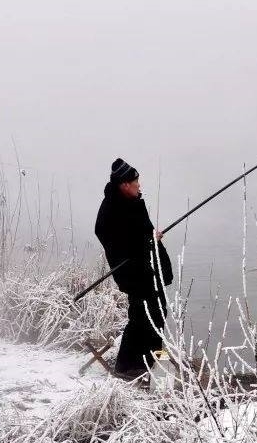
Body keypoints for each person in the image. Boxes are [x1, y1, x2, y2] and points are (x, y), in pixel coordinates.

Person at [94, 157, 174, 379]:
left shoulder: (135, 201)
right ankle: (126, 367)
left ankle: (151, 361)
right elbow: (106, 234)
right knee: (141, 314)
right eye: (136, 181)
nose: (139, 185)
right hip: (129, 270)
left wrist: (152, 239)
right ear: (124, 184)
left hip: (146, 265)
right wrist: (143, 242)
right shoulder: (111, 206)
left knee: (158, 309)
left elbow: (143, 230)